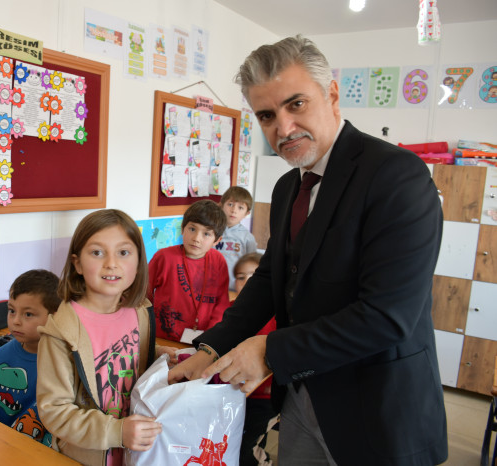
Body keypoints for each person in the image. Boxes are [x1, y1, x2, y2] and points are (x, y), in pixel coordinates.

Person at [169, 35, 447, 465]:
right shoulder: (288, 187)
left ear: (331, 94)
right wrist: (211, 347)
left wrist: (271, 351)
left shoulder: (396, 175)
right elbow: (271, 278)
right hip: (301, 397)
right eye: (266, 115)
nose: (283, 129)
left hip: (376, 407)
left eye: (296, 104)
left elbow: (388, 316)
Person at [37, 209, 168, 466]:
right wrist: (116, 431)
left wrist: (161, 354)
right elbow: (55, 411)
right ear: (77, 264)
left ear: (139, 261)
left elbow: (129, 355)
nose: (111, 263)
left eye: (123, 252)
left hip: (139, 453)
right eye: (97, 252)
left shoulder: (140, 311)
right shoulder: (61, 333)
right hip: (86, 456)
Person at [0, 269, 60, 446]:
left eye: (28, 314)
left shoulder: (61, 363)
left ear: (55, 317)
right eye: (11, 311)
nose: (15, 321)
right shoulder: (3, 353)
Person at [147, 199, 230, 343]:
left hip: (203, 341)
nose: (196, 238)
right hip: (162, 339)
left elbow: (221, 303)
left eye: (206, 234)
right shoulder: (163, 257)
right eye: (192, 229)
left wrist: (210, 338)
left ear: (217, 240)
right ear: (182, 229)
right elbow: (144, 295)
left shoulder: (218, 261)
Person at [233, 253, 277, 466]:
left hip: (264, 399)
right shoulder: (232, 312)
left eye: (253, 276)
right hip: (238, 395)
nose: (246, 282)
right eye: (241, 277)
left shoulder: (276, 316)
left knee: (249, 447)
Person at [215, 186, 259, 290]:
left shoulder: (248, 238)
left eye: (240, 208)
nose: (234, 210)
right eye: (230, 204)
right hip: (210, 286)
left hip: (235, 288)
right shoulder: (211, 231)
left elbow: (252, 265)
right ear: (221, 206)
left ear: (246, 213)